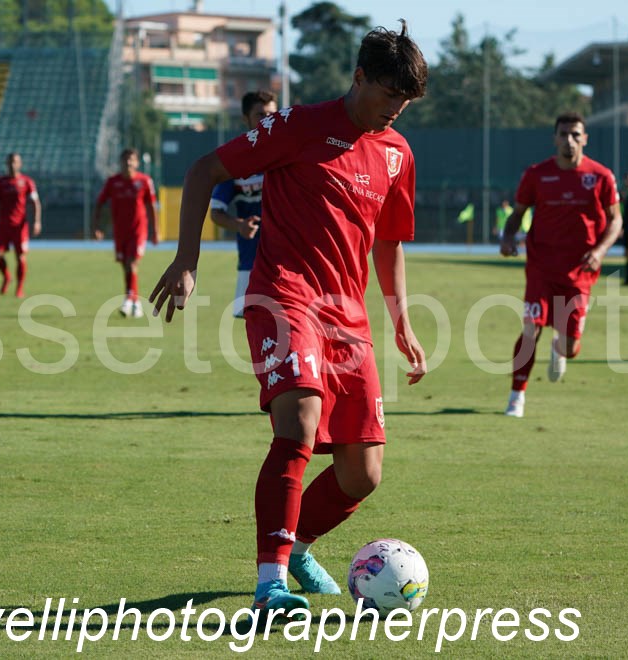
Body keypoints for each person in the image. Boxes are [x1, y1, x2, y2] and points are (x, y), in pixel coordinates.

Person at [151, 23, 428, 618]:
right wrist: (186, 260)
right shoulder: (297, 126)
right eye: (388, 96)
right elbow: (203, 171)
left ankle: (297, 546)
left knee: (362, 474)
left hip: (348, 318)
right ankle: (269, 586)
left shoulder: (397, 153)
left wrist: (402, 320)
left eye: (405, 102)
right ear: (358, 77)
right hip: (284, 297)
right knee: (298, 424)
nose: (395, 110)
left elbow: (389, 243)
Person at [500, 112, 622, 418]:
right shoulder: (536, 175)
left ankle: (560, 348)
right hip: (541, 267)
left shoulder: (601, 176)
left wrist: (600, 251)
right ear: (555, 138)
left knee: (570, 347)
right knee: (531, 328)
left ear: (585, 139)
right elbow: (517, 213)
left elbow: (616, 220)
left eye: (575, 134)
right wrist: (508, 237)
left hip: (580, 271)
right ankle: (516, 397)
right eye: (564, 134)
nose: (570, 140)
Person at [210, 90, 277, 318]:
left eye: (272, 114)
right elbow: (216, 213)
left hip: (287, 262)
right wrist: (239, 225)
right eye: (260, 115)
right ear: (245, 119)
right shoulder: (235, 162)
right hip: (251, 262)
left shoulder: (289, 157)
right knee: (253, 323)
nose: (267, 120)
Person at [93, 148, 159, 318]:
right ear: (120, 162)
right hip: (120, 232)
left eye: (131, 159)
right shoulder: (112, 182)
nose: (128, 163)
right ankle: (135, 302)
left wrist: (155, 231)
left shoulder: (145, 181)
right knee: (126, 267)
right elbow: (100, 203)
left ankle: (128, 300)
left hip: (138, 230)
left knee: (132, 263)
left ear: (137, 163)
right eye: (125, 159)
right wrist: (97, 227)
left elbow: (151, 206)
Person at [0, 152, 41, 297]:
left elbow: (35, 202)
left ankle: (19, 288)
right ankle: (7, 277)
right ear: (7, 164)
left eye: (15, 162)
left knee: (20, 257)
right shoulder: (1, 182)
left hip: (19, 226)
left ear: (20, 164)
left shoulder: (27, 181)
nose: (12, 165)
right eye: (10, 162)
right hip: (3, 225)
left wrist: (37, 221)